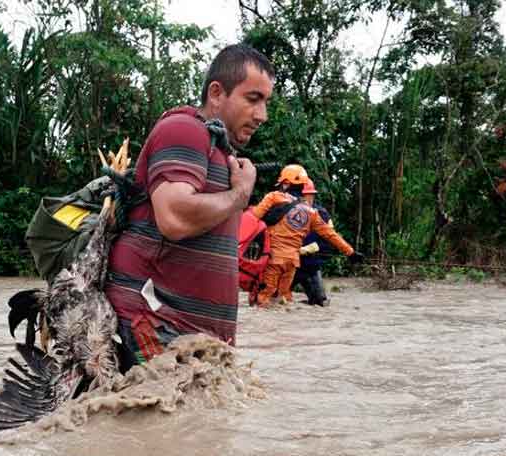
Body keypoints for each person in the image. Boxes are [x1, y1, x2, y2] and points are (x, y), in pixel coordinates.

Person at [103, 44, 275, 370]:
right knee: (156, 419)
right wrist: (240, 195)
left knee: (196, 421)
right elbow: (174, 217)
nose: (262, 115)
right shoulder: (184, 129)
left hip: (189, 335)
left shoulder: (215, 147)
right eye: (253, 99)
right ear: (216, 93)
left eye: (266, 102)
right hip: (156, 322)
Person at [248, 171, 356, 306]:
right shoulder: (312, 213)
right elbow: (330, 234)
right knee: (282, 300)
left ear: (286, 183)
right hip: (293, 263)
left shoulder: (274, 197)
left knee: (263, 300)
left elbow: (253, 218)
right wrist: (350, 252)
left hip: (275, 259)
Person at [293, 182, 363, 306]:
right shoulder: (288, 210)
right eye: (302, 195)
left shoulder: (321, 213)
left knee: (320, 302)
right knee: (275, 297)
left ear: (312, 196)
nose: (304, 198)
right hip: (291, 262)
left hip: (311, 264)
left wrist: (350, 252)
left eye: (308, 195)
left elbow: (330, 237)